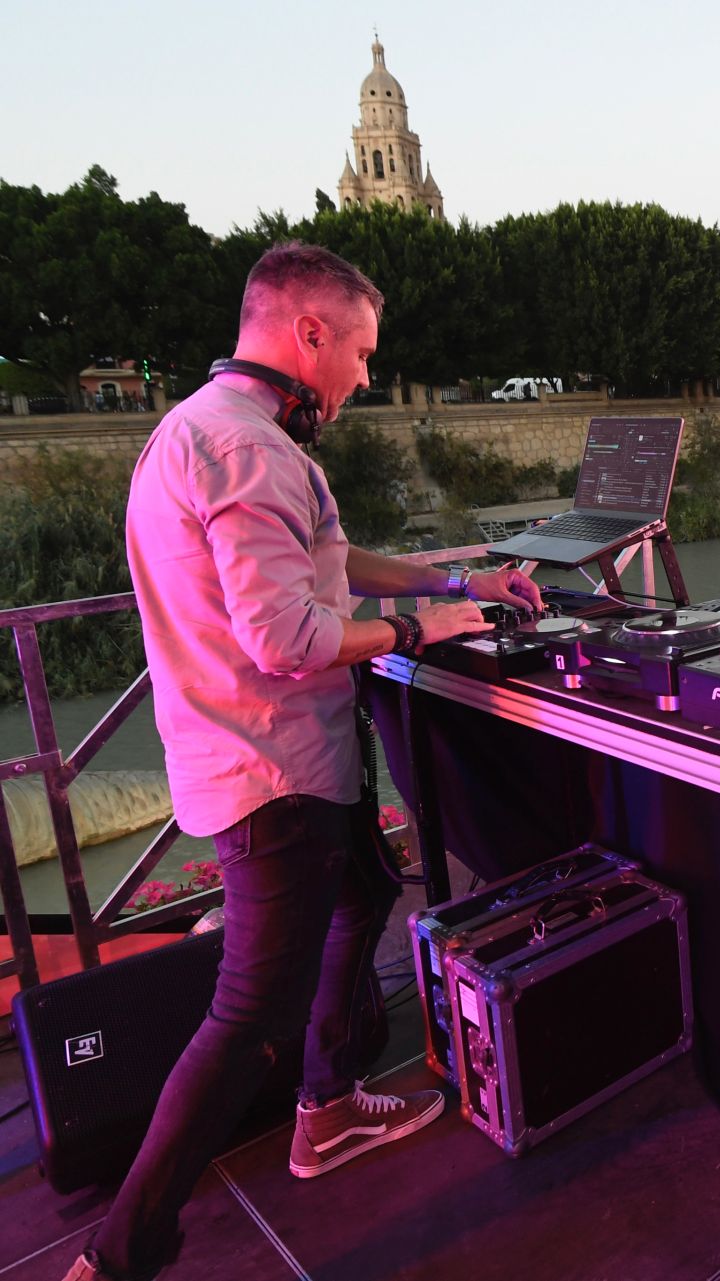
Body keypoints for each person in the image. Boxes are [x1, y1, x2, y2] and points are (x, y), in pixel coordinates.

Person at [70, 243, 541, 1281]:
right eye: (362, 352)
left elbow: (333, 560)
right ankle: (118, 1255)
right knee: (244, 1019)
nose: (366, 377)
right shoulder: (255, 455)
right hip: (274, 776)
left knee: (367, 883)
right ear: (309, 332)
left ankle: (327, 1104)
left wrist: (461, 579)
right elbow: (287, 636)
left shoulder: (198, 432)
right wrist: (419, 632)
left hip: (249, 763)